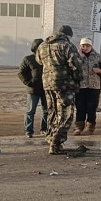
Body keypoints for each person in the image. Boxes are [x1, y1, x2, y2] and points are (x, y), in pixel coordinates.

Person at [35, 25, 82, 154]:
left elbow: (39, 61)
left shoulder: (43, 45)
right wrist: (78, 79)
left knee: (53, 112)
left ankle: (51, 139)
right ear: (68, 35)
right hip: (64, 84)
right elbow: (75, 65)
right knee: (65, 113)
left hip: (47, 84)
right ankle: (56, 142)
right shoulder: (67, 45)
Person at [74, 37, 101, 135]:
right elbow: (72, 67)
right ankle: (78, 127)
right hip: (80, 86)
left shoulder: (98, 57)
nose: (85, 47)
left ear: (91, 46)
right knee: (80, 108)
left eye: (87, 45)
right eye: (83, 45)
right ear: (80, 46)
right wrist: (80, 57)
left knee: (91, 108)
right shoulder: (75, 57)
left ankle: (90, 127)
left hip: (94, 87)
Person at [17, 38, 48, 138]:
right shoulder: (28, 59)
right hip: (33, 90)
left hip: (46, 88)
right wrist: (28, 83)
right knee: (30, 111)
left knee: (46, 110)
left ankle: (44, 129)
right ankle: (28, 130)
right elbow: (21, 73)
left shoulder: (48, 59)